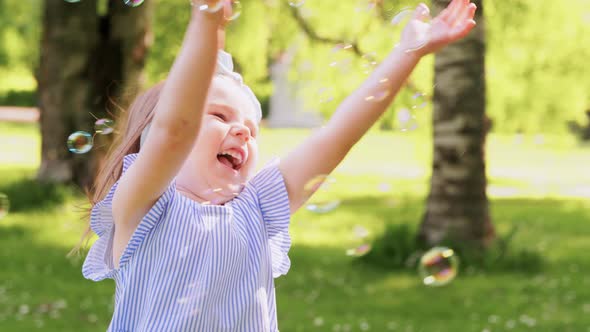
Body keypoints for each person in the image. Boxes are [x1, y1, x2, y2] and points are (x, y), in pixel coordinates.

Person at [79, 0, 477, 330]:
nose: (243, 132)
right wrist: (207, 19)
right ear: (149, 138)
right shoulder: (142, 206)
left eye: (251, 127)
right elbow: (175, 131)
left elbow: (336, 136)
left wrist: (408, 53)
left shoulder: (257, 208)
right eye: (218, 116)